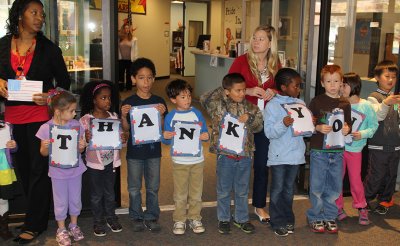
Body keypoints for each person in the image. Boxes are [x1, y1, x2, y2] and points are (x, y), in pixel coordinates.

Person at [0, 0, 71, 243]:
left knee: (38, 171)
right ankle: (34, 215)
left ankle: (35, 224)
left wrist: (50, 96)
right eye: (34, 13)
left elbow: (64, 83)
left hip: (39, 119)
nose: (40, 18)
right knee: (21, 171)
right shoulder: (2, 45)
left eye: (41, 14)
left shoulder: (49, 49)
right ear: (20, 15)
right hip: (11, 119)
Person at [200, 73, 263, 235]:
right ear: (227, 91)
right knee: (224, 189)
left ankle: (241, 219)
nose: (242, 93)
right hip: (225, 155)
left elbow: (259, 126)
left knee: (242, 190)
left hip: (245, 155)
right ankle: (224, 218)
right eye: (238, 90)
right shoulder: (217, 105)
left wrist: (249, 118)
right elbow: (204, 98)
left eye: (244, 90)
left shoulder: (250, 107)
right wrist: (223, 89)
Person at [228, 25, 280, 223]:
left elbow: (284, 88)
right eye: (254, 38)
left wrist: (274, 92)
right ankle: (236, 205)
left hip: (266, 121)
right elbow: (228, 85)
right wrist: (248, 91)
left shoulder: (275, 64)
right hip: (243, 119)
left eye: (261, 39)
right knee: (239, 163)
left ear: (270, 43)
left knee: (261, 165)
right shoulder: (241, 61)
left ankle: (259, 205)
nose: (256, 42)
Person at [121, 58, 168, 232]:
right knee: (134, 187)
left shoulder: (159, 101)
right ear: (133, 79)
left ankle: (151, 215)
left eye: (149, 77)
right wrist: (123, 116)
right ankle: (135, 215)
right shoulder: (128, 103)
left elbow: (163, 129)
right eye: (141, 78)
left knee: (153, 187)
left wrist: (162, 116)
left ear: (154, 79)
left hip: (154, 151)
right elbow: (125, 130)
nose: (146, 82)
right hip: (134, 152)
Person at [36, 90, 86, 246]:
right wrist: (44, 147)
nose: (74, 114)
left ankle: (73, 225)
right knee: (60, 201)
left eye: (74, 110)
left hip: (75, 170)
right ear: (57, 111)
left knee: (75, 199)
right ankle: (61, 229)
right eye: (71, 111)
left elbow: (80, 150)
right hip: (57, 173)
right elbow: (43, 153)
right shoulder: (46, 128)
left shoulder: (76, 125)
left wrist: (81, 147)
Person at [264, 68, 309, 237]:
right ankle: (277, 221)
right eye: (296, 86)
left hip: (296, 156)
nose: (298, 89)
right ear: (283, 87)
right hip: (279, 156)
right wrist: (283, 123)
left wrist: (309, 125)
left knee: (289, 190)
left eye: (299, 86)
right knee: (277, 190)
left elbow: (307, 133)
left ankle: (288, 218)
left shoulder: (301, 104)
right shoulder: (273, 106)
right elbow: (269, 133)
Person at [306, 64, 351, 234]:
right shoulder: (317, 101)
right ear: (322, 83)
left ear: (341, 83)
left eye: (336, 81)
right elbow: (309, 122)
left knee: (334, 186)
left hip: (338, 151)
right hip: (319, 151)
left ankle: (330, 216)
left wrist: (347, 129)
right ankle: (315, 216)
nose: (333, 84)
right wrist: (317, 127)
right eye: (329, 81)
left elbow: (348, 124)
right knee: (317, 186)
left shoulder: (345, 103)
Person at [163, 79, 209, 235]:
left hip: (197, 160)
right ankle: (179, 220)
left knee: (196, 193)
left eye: (189, 95)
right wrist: (166, 136)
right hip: (180, 161)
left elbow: (205, 134)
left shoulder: (197, 113)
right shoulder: (170, 117)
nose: (188, 99)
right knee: (180, 193)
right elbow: (167, 140)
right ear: (173, 99)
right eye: (183, 97)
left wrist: (205, 136)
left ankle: (195, 217)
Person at [79, 81, 124, 237]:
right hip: (94, 164)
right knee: (96, 194)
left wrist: (123, 138)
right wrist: (85, 137)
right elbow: (81, 145)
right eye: (103, 98)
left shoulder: (114, 116)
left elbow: (119, 143)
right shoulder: (86, 120)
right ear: (94, 100)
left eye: (109, 98)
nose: (108, 101)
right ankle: (98, 221)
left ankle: (111, 217)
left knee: (110, 193)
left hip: (111, 162)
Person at [335, 73, 378, 225]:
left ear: (353, 86)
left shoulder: (366, 106)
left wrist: (362, 134)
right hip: (339, 148)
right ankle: (338, 207)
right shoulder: (339, 103)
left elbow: (374, 126)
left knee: (355, 179)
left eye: (343, 85)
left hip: (355, 149)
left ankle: (361, 207)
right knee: (337, 178)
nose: (340, 88)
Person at [364, 60, 400, 215]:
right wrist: (386, 102)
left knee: (391, 174)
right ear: (377, 77)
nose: (391, 79)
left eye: (393, 76)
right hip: (378, 144)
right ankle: (364, 199)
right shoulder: (373, 97)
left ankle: (385, 199)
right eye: (387, 76)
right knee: (376, 174)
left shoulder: (395, 98)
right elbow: (377, 116)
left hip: (395, 144)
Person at [0, 121, 18, 241]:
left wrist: (13, 145)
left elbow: (14, 149)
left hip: (3, 168)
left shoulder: (6, 125)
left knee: (3, 199)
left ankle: (3, 229)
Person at [118, 22, 138, 91]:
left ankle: (128, 88)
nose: (127, 29)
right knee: (120, 74)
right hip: (121, 60)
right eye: (125, 28)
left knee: (129, 75)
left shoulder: (133, 39)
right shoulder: (119, 39)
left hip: (130, 60)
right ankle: (120, 88)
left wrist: (135, 59)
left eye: (128, 28)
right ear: (123, 29)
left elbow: (135, 50)